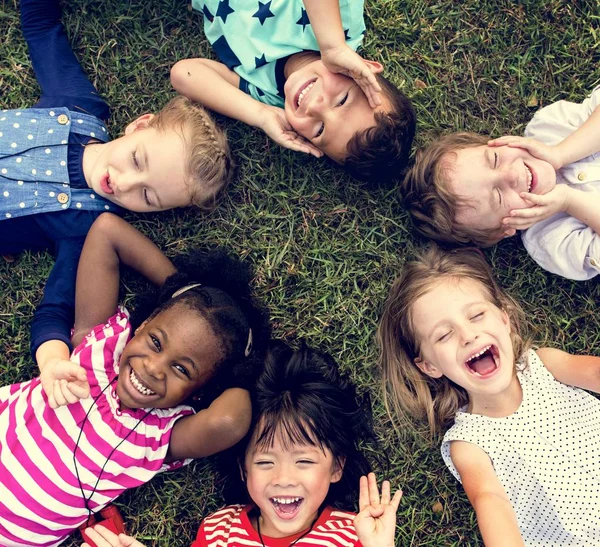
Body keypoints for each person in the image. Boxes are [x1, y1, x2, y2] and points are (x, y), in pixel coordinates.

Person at [0, 213, 270, 547]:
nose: (154, 368)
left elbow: (230, 421)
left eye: (182, 370)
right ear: (141, 327)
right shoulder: (98, 348)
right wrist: (184, 293)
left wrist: (243, 370)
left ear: (199, 394)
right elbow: (107, 232)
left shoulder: (158, 438)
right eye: (155, 341)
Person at [2, 0, 232, 373]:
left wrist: (54, 361)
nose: (123, 183)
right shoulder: (79, 106)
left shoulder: (85, 228)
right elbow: (43, 29)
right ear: (140, 125)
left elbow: (55, 310)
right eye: (138, 160)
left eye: (147, 196)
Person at [378, 245, 600, 545]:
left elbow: (595, 373)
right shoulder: (469, 443)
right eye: (443, 335)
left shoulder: (544, 365)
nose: (468, 335)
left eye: (477, 315)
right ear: (429, 365)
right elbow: (490, 501)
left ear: (504, 319)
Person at [81, 342, 403, 547]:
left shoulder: (354, 535)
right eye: (265, 462)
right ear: (243, 468)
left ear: (336, 467)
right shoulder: (220, 531)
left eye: (303, 461)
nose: (283, 478)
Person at [170, 0, 416, 183]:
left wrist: (261, 115)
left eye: (320, 130)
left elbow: (184, 74)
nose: (315, 107)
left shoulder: (266, 95)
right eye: (342, 100)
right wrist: (332, 44)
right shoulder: (342, 26)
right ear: (365, 70)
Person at [400, 86, 600, 281]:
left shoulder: (549, 126)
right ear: (504, 230)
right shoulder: (552, 242)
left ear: (495, 142)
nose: (511, 175)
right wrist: (570, 201)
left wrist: (561, 153)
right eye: (497, 197)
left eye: (494, 159)